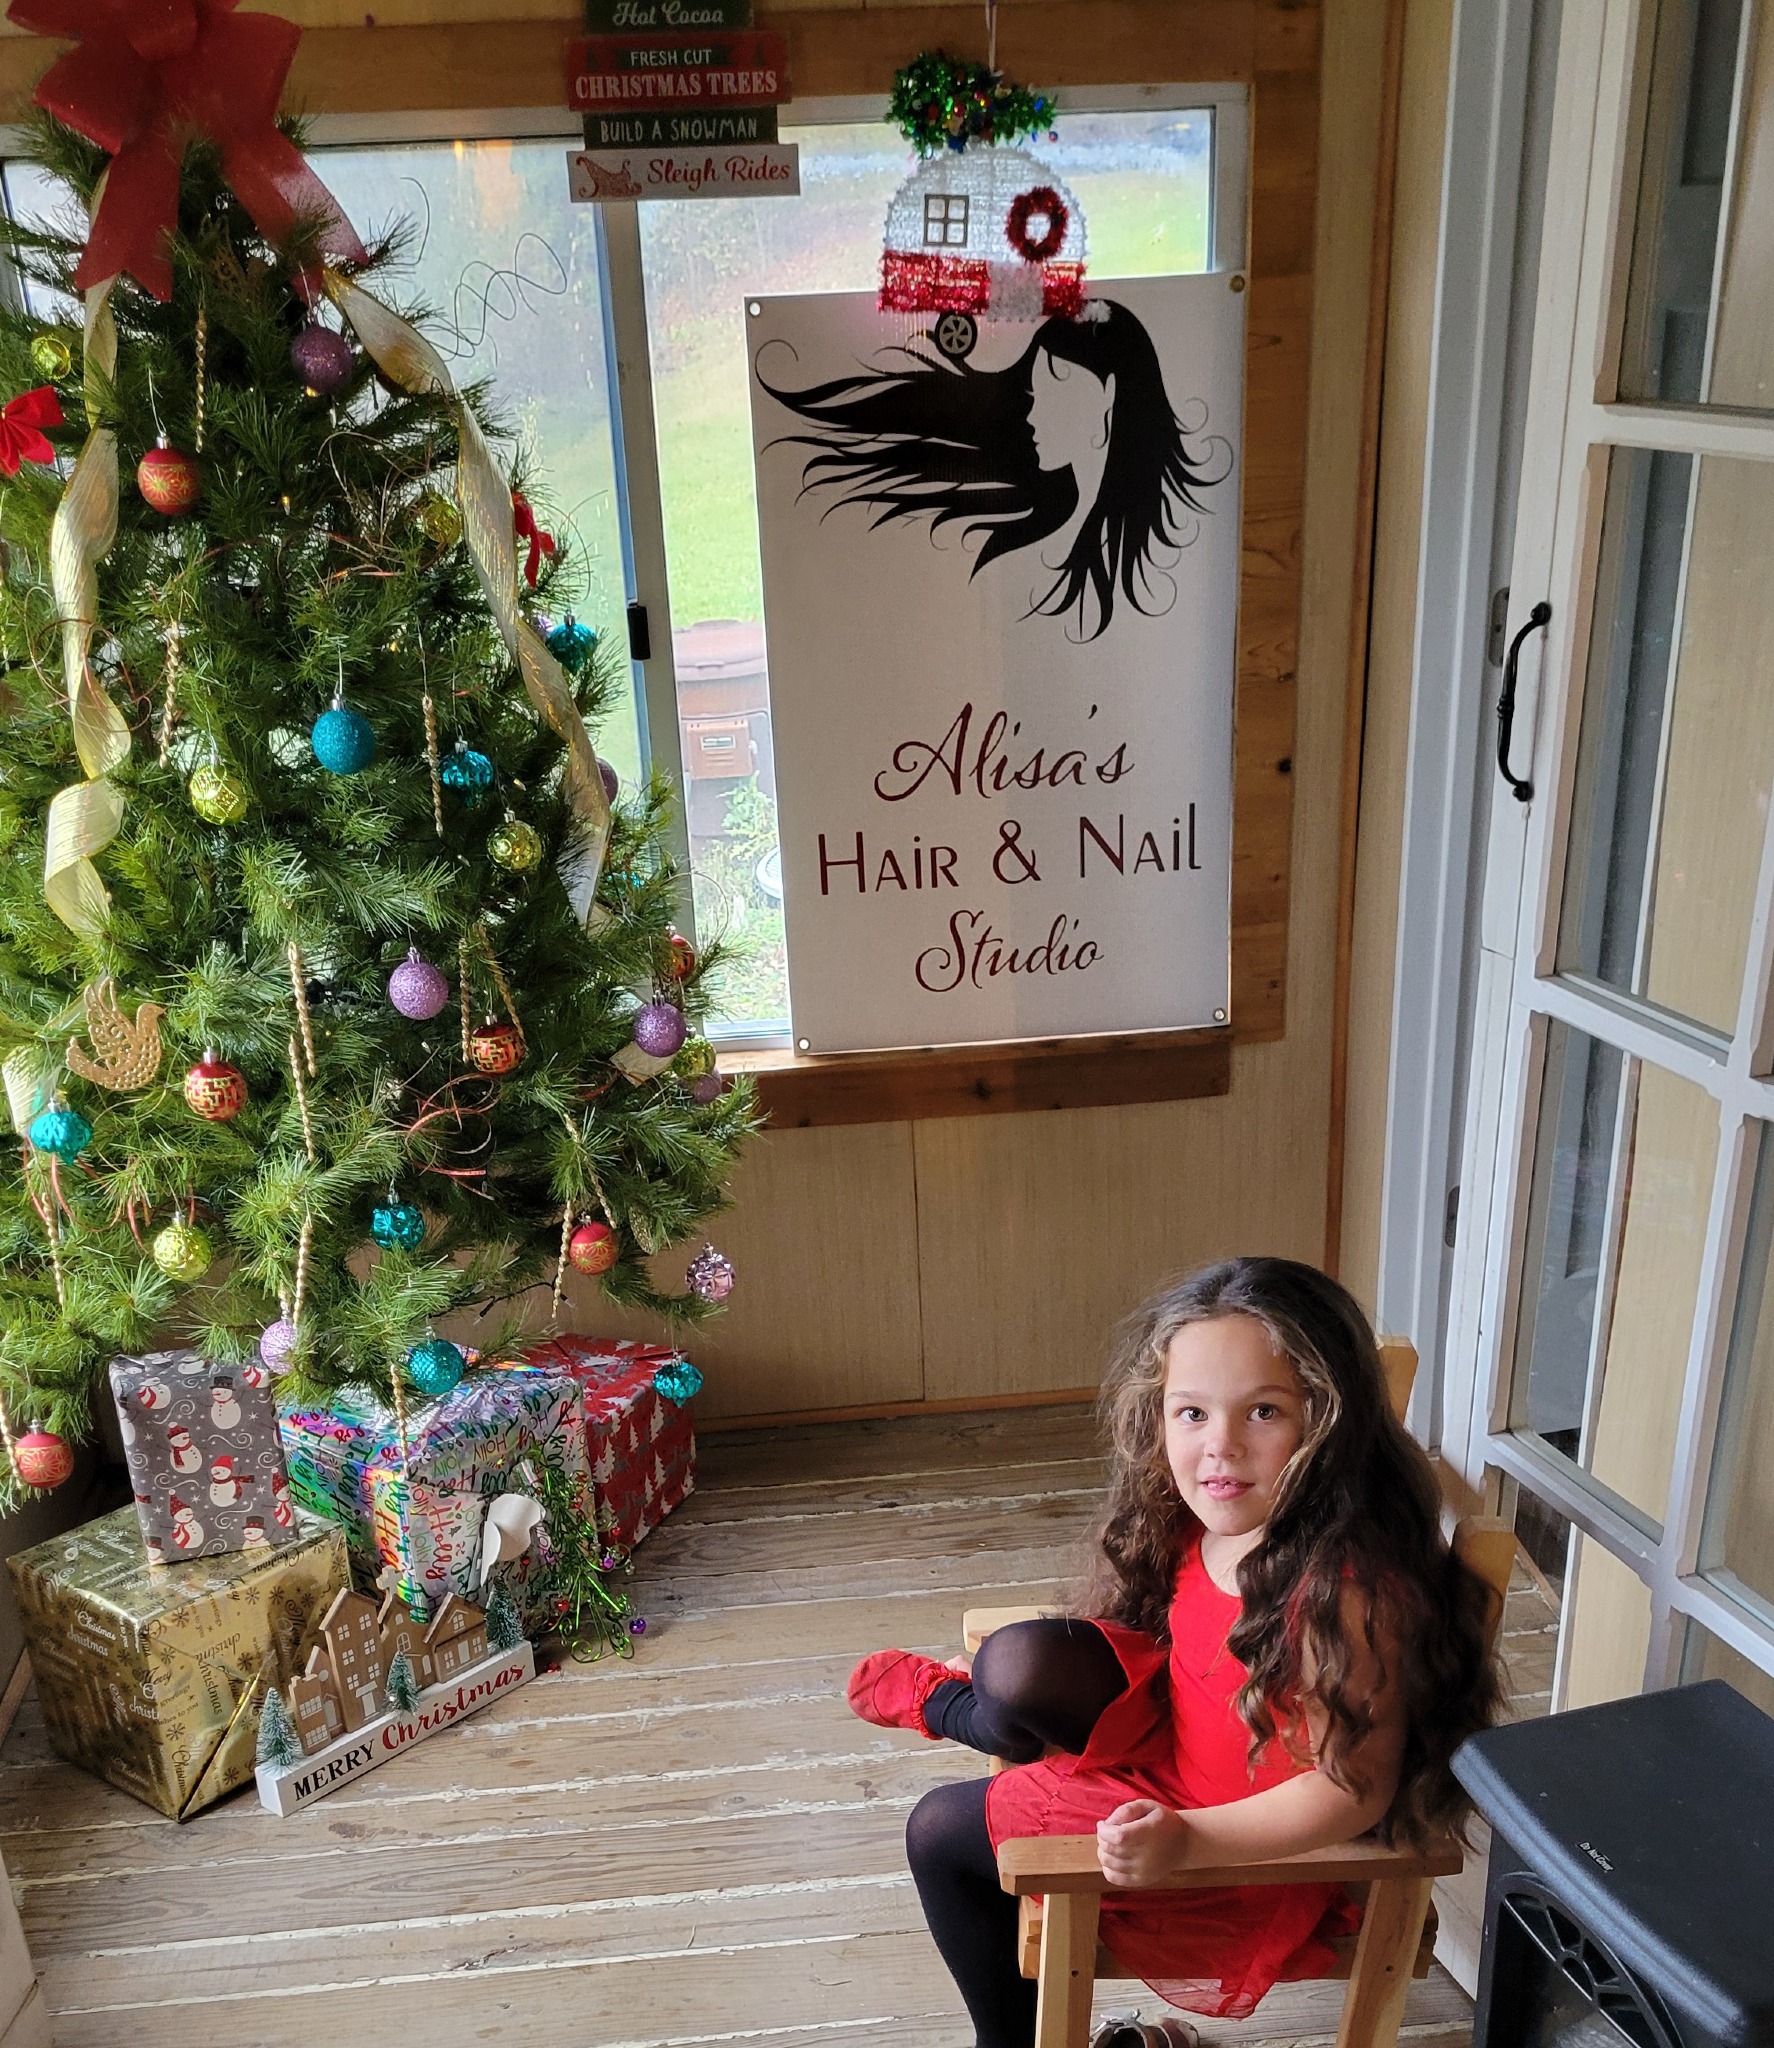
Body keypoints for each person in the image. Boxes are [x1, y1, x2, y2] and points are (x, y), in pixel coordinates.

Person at [847, 1257, 1505, 2047]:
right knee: (1018, 1667)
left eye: (1263, 1411)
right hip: (1171, 1742)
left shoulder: (1345, 1593)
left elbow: (1351, 1793)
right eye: (1192, 1412)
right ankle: (985, 1708)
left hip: (1230, 1851)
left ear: (1331, 1422)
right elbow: (1176, 1637)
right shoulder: (1213, 1518)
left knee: (939, 1831)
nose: (1220, 1446)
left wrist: (1191, 1839)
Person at [757, 300, 1232, 642]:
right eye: (1034, 392)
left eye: (1052, 390)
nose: (1032, 415)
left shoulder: (1136, 562)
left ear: (1108, 395)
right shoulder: (1048, 540)